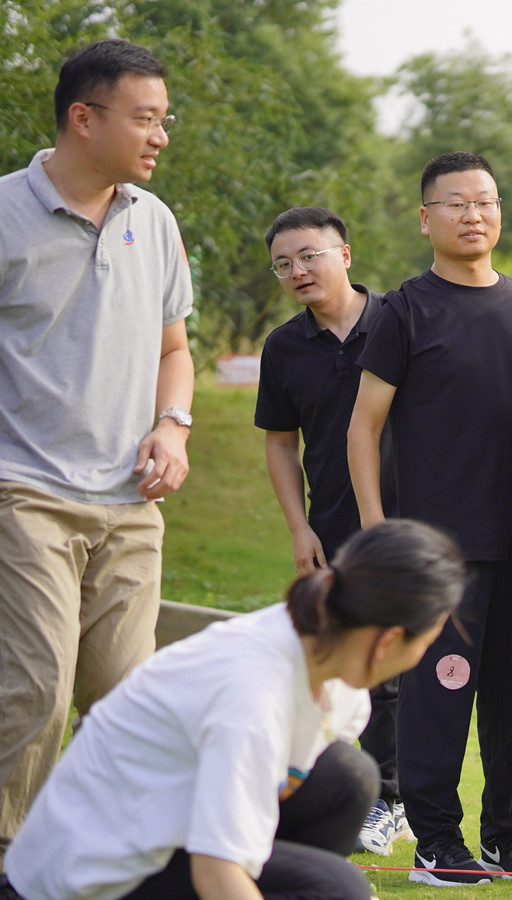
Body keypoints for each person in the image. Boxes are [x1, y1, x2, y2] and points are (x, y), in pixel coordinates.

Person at [1, 520, 467, 900]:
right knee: (335, 888)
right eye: (426, 643)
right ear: (388, 641)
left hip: (167, 835)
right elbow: (217, 876)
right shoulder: (252, 693)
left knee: (346, 777)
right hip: (79, 878)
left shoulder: (330, 667)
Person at [0, 38, 194, 870]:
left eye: (164, 119)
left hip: (130, 501)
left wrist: (173, 425)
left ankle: (103, 862)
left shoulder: (155, 220)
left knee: (124, 698)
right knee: (36, 687)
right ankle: (12, 859)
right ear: (84, 118)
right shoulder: (4, 215)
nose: (161, 136)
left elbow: (174, 349)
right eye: (146, 119)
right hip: (24, 492)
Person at [347, 152, 512, 885]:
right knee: (439, 695)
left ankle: (505, 836)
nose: (474, 215)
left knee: (507, 701)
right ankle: (436, 844)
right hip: (438, 554)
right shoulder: (406, 310)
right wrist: (378, 530)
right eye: (457, 203)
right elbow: (363, 426)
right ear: (426, 217)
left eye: (486, 201)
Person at [255, 206, 408, 856]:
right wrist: (299, 528)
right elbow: (280, 443)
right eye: (283, 264)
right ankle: (380, 797)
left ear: (344, 254)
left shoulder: (401, 319)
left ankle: (407, 799)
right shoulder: (283, 347)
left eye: (309, 255)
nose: (297, 270)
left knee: (429, 663)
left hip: (420, 517)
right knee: (361, 658)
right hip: (337, 525)